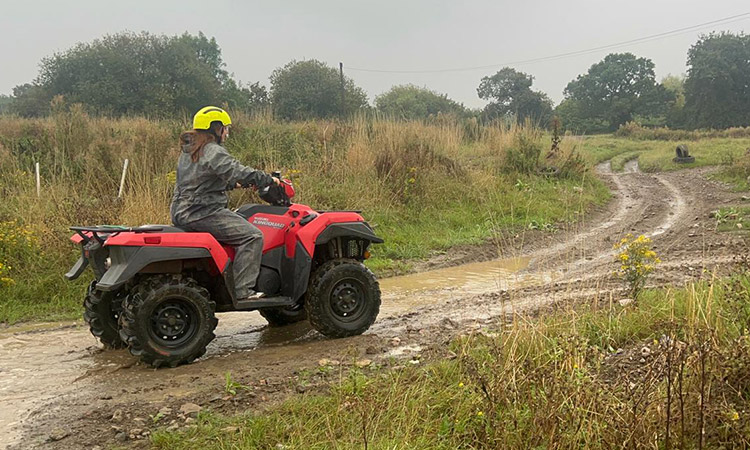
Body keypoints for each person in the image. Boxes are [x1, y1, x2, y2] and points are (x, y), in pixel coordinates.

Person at [170, 106, 278, 301]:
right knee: (252, 236)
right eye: (225, 128)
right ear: (216, 129)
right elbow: (238, 171)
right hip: (203, 212)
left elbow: (201, 179)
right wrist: (267, 179)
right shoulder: (212, 150)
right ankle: (243, 291)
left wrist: (232, 184)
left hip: (182, 210)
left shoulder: (190, 150)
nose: (227, 132)